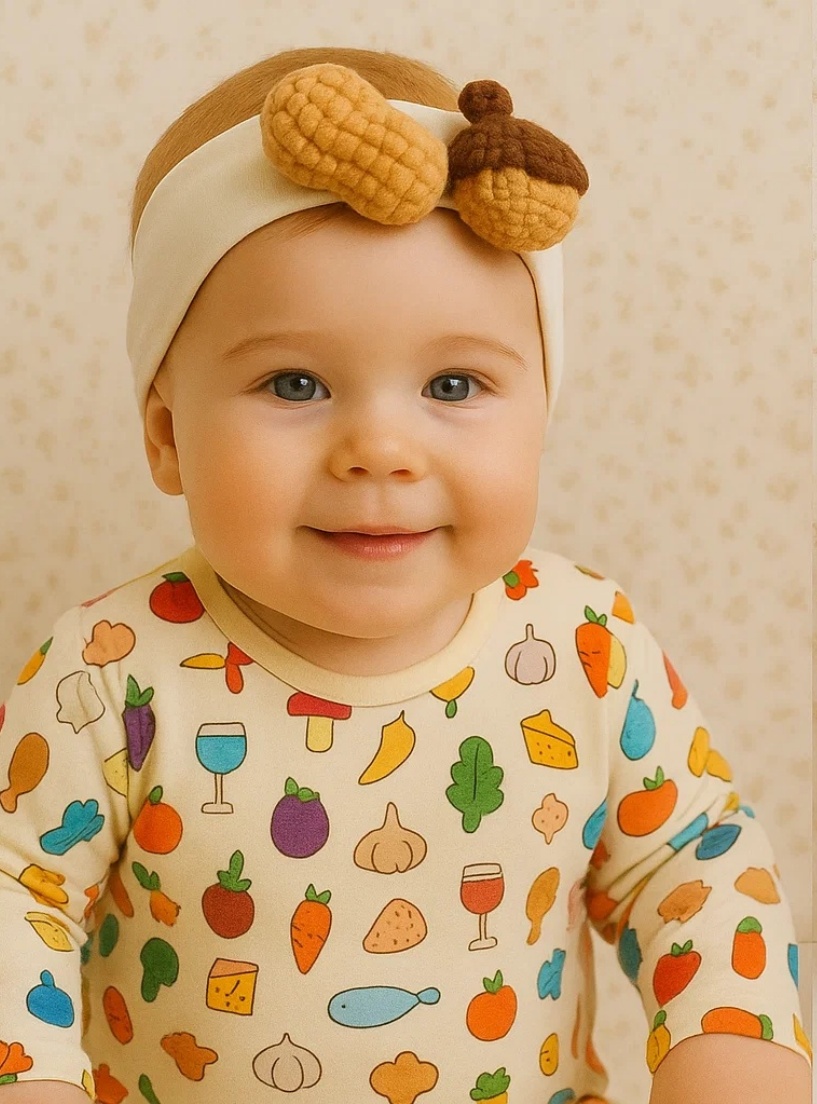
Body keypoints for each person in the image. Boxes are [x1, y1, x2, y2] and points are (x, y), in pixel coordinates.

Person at [0, 46, 810, 1104]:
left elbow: (689, 859)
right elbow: (21, 894)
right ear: (167, 437)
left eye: (453, 382)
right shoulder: (109, 674)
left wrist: (733, 1037)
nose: (380, 448)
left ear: (541, 412)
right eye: (294, 382)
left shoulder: (581, 646)